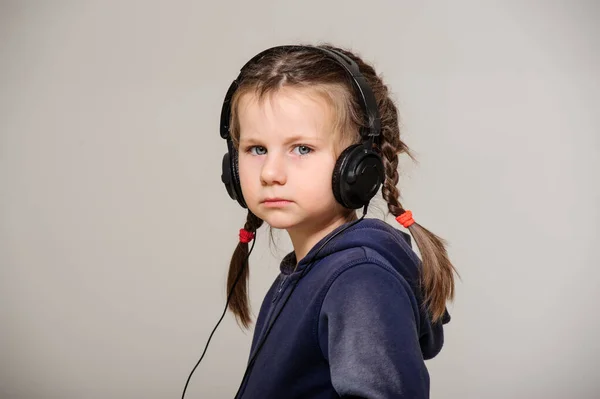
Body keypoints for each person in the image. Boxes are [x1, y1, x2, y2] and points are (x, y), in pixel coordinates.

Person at [220, 44, 458, 398]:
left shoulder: (359, 281)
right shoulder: (307, 273)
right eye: (256, 149)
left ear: (359, 166)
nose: (270, 173)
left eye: (302, 148)